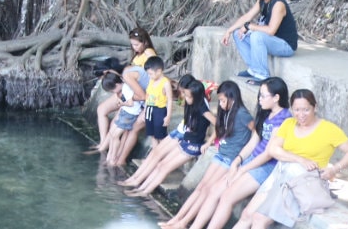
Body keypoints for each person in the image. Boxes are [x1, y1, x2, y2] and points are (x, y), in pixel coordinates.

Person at [166, 76, 291, 229]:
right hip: (250, 160)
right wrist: (237, 161)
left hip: (264, 167)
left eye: (263, 96)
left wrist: (242, 169)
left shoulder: (284, 118)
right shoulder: (267, 114)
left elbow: (268, 154)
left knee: (226, 197)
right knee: (214, 191)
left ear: (276, 98)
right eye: (260, 95)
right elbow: (253, 142)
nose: (259, 99)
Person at [231, 88, 348, 229]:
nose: (301, 115)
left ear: (315, 107)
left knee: (259, 219)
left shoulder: (328, 129)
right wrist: (300, 159)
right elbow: (273, 149)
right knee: (247, 214)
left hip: (303, 181)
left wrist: (334, 169)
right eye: (296, 110)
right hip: (279, 174)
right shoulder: (288, 124)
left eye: (306, 110)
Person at [158, 80, 252, 229]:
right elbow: (220, 129)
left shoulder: (242, 114)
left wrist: (244, 155)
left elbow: (256, 133)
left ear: (232, 97)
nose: (220, 103)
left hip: (230, 159)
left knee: (208, 190)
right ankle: (177, 220)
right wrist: (209, 143)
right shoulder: (227, 111)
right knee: (201, 187)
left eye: (222, 100)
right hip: (221, 154)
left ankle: (184, 223)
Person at [123, 78, 213, 196]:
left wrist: (209, 142)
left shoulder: (203, 108)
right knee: (160, 164)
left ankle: (144, 190)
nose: (184, 97)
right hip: (184, 139)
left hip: (191, 145)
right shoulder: (194, 104)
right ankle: (140, 186)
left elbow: (217, 124)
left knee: (164, 167)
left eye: (186, 95)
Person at [222, 0, 298, 83]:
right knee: (237, 34)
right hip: (271, 41)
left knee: (257, 36)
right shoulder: (262, 0)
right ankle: (253, 69)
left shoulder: (278, 4)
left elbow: (271, 30)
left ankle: (262, 76)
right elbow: (247, 16)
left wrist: (250, 26)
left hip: (285, 45)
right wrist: (229, 31)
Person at [92, 27, 157, 154]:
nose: (134, 47)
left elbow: (153, 76)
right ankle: (103, 144)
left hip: (139, 95)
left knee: (118, 121)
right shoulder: (137, 54)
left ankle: (106, 150)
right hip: (128, 89)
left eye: (136, 44)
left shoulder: (149, 53)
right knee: (101, 109)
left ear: (145, 42)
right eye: (132, 44)